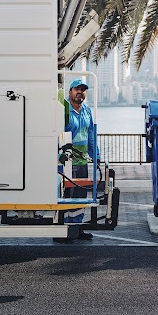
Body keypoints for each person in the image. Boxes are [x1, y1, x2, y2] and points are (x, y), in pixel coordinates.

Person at [56, 78, 101, 242]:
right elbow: (56, 133)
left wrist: (95, 155)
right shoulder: (64, 109)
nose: (80, 92)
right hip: (66, 161)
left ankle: (77, 228)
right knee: (66, 196)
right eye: (77, 89)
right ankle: (63, 230)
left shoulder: (87, 110)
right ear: (70, 92)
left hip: (81, 161)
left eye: (83, 90)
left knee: (81, 195)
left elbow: (91, 135)